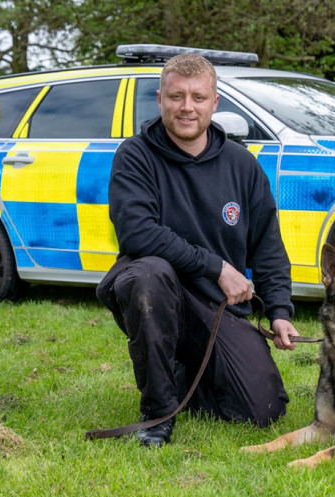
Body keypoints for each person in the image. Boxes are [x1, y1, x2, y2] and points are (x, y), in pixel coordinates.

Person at [96, 52, 300, 447]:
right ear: (159, 99)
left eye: (198, 97)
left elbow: (268, 246)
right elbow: (138, 234)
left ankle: (180, 373)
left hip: (218, 308)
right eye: (176, 97)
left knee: (261, 411)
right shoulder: (135, 156)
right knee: (148, 274)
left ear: (215, 103)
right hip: (157, 292)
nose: (187, 107)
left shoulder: (242, 164)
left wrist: (278, 311)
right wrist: (217, 267)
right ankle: (158, 412)